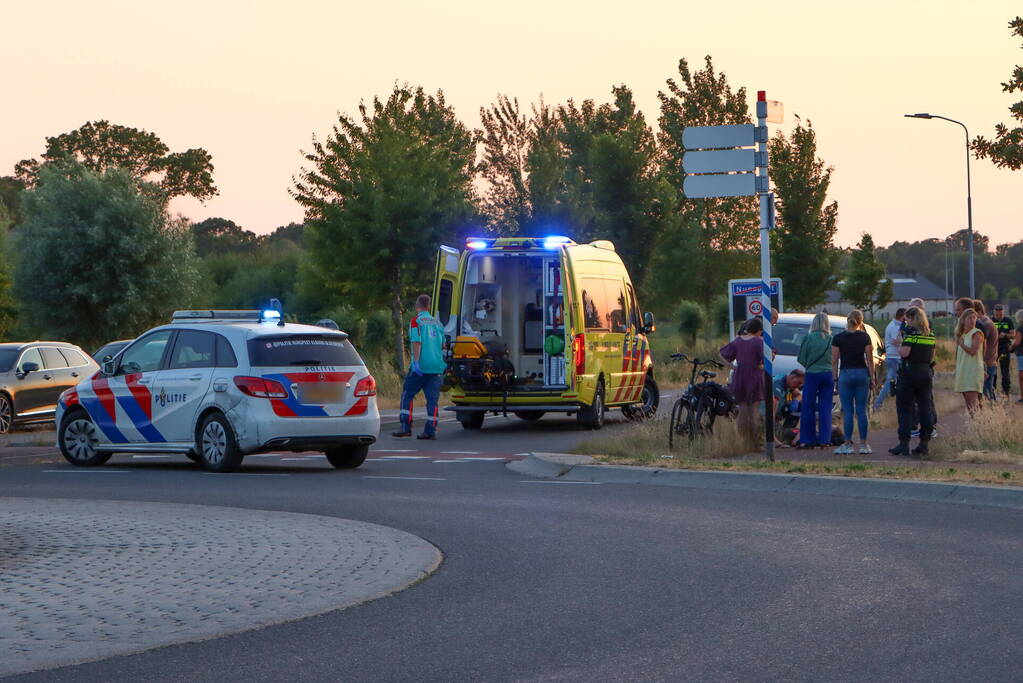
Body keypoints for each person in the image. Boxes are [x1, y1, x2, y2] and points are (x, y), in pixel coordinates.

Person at [392, 294, 447, 440]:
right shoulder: (438, 323)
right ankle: (430, 430)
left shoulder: (416, 321)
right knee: (432, 400)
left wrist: (416, 362)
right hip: (436, 367)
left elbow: (417, 342)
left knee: (407, 394)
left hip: (421, 366)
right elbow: (443, 345)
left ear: (417, 306)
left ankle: (405, 427)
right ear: (428, 306)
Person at [889, 307, 936, 456]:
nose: (906, 322)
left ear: (912, 318)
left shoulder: (911, 334)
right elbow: (932, 356)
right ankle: (924, 443)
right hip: (925, 373)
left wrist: (901, 343)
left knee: (905, 408)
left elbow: (904, 353)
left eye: (907, 319)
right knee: (925, 407)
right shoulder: (930, 334)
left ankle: (904, 444)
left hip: (909, 373)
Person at [831, 309, 874, 454]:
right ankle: (864, 444)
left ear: (847, 320)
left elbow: (834, 360)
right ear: (860, 322)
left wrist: (835, 379)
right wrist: (872, 377)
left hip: (845, 374)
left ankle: (848, 444)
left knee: (848, 411)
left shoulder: (838, 338)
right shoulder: (865, 337)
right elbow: (870, 359)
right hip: (862, 373)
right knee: (861, 410)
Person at [720, 317, 766, 442]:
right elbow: (767, 357)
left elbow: (722, 354)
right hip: (755, 376)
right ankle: (755, 442)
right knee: (754, 411)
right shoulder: (759, 341)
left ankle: (743, 441)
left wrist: (733, 367)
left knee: (743, 410)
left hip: (739, 377)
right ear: (759, 330)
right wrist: (762, 366)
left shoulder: (738, 341)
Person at [797, 312, 834, 449]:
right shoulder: (831, 339)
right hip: (828, 374)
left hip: (812, 374)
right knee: (826, 408)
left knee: (808, 406)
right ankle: (825, 439)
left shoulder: (808, 338)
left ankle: (807, 439)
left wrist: (809, 365)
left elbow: (801, 358)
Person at [874, 308, 906, 410]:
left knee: (893, 381)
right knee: (890, 381)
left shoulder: (893, 325)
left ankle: (882, 403)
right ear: (902, 317)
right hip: (894, 357)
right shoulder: (894, 326)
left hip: (893, 357)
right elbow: (896, 341)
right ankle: (878, 403)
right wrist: (907, 341)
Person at [954, 308, 984, 415]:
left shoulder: (977, 333)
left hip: (973, 371)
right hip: (963, 371)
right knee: (968, 403)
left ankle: (979, 423)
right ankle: (976, 423)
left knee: (972, 403)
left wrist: (962, 345)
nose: (972, 320)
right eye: (970, 318)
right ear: (963, 320)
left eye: (974, 318)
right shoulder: (962, 335)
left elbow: (973, 351)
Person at [771, 369, 805, 447]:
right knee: (800, 433)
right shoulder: (777, 384)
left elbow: (799, 395)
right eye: (799, 383)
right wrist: (774, 439)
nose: (798, 386)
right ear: (792, 377)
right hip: (768, 422)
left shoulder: (787, 383)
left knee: (799, 405)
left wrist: (796, 400)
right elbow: (772, 409)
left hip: (777, 421)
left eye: (801, 385)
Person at [974, 299, 999, 401]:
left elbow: (981, 343)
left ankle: (992, 409)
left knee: (986, 391)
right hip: (990, 361)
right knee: (988, 389)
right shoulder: (987, 322)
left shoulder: (985, 324)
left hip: (987, 362)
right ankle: (993, 409)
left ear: (979, 311)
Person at [992, 304, 1016, 398]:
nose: (999, 316)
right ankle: (992, 392)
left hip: (1004, 348)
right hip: (993, 348)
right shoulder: (991, 321)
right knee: (992, 370)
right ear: (994, 313)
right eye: (997, 314)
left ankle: (1006, 393)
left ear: (1003, 313)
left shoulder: (1008, 321)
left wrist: (1005, 335)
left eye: (1001, 314)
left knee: (1005, 370)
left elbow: (1013, 335)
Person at [1014, 310, 1023, 405]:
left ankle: (1022, 397)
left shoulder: (1020, 329)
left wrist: (1010, 347)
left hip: (1021, 355)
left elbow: (1017, 342)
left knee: (1021, 377)